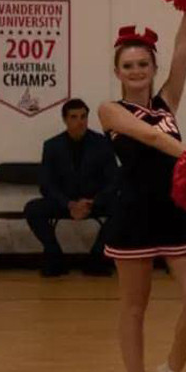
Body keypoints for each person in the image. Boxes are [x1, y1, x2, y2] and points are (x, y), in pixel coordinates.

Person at [97, 19, 186, 372]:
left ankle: (171, 370)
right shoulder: (110, 110)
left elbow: (183, 53)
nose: (136, 71)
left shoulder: (167, 102)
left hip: (176, 208)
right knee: (134, 304)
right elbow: (152, 138)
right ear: (117, 71)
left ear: (152, 68)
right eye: (128, 65)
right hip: (134, 212)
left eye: (143, 64)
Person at [25, 98, 118, 277]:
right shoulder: (52, 146)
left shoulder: (102, 144)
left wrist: (93, 201)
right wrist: (68, 204)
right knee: (33, 209)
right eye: (74, 117)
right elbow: (46, 184)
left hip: (93, 201)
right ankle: (55, 257)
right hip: (64, 202)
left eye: (83, 116)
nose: (80, 121)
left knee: (123, 207)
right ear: (65, 119)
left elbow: (114, 180)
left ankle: (97, 259)